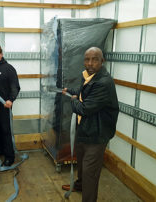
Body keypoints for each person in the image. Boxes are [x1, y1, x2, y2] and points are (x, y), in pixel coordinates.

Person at [61, 47, 119, 202]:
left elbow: (85, 109)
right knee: (81, 163)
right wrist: (70, 90)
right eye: (87, 59)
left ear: (102, 61)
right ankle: (80, 185)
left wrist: (72, 99)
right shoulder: (88, 76)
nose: (90, 63)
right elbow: (83, 91)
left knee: (90, 172)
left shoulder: (103, 82)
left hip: (97, 134)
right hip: (85, 129)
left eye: (94, 59)